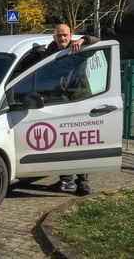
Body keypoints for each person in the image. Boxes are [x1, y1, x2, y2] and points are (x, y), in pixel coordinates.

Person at [45, 23, 99, 196]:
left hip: (79, 100)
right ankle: (66, 180)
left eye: (66, 35)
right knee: (62, 143)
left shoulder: (80, 47)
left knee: (79, 144)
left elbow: (98, 41)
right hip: (59, 102)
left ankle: (83, 184)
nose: (63, 38)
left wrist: (83, 39)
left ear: (71, 35)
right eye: (59, 35)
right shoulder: (50, 52)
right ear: (54, 37)